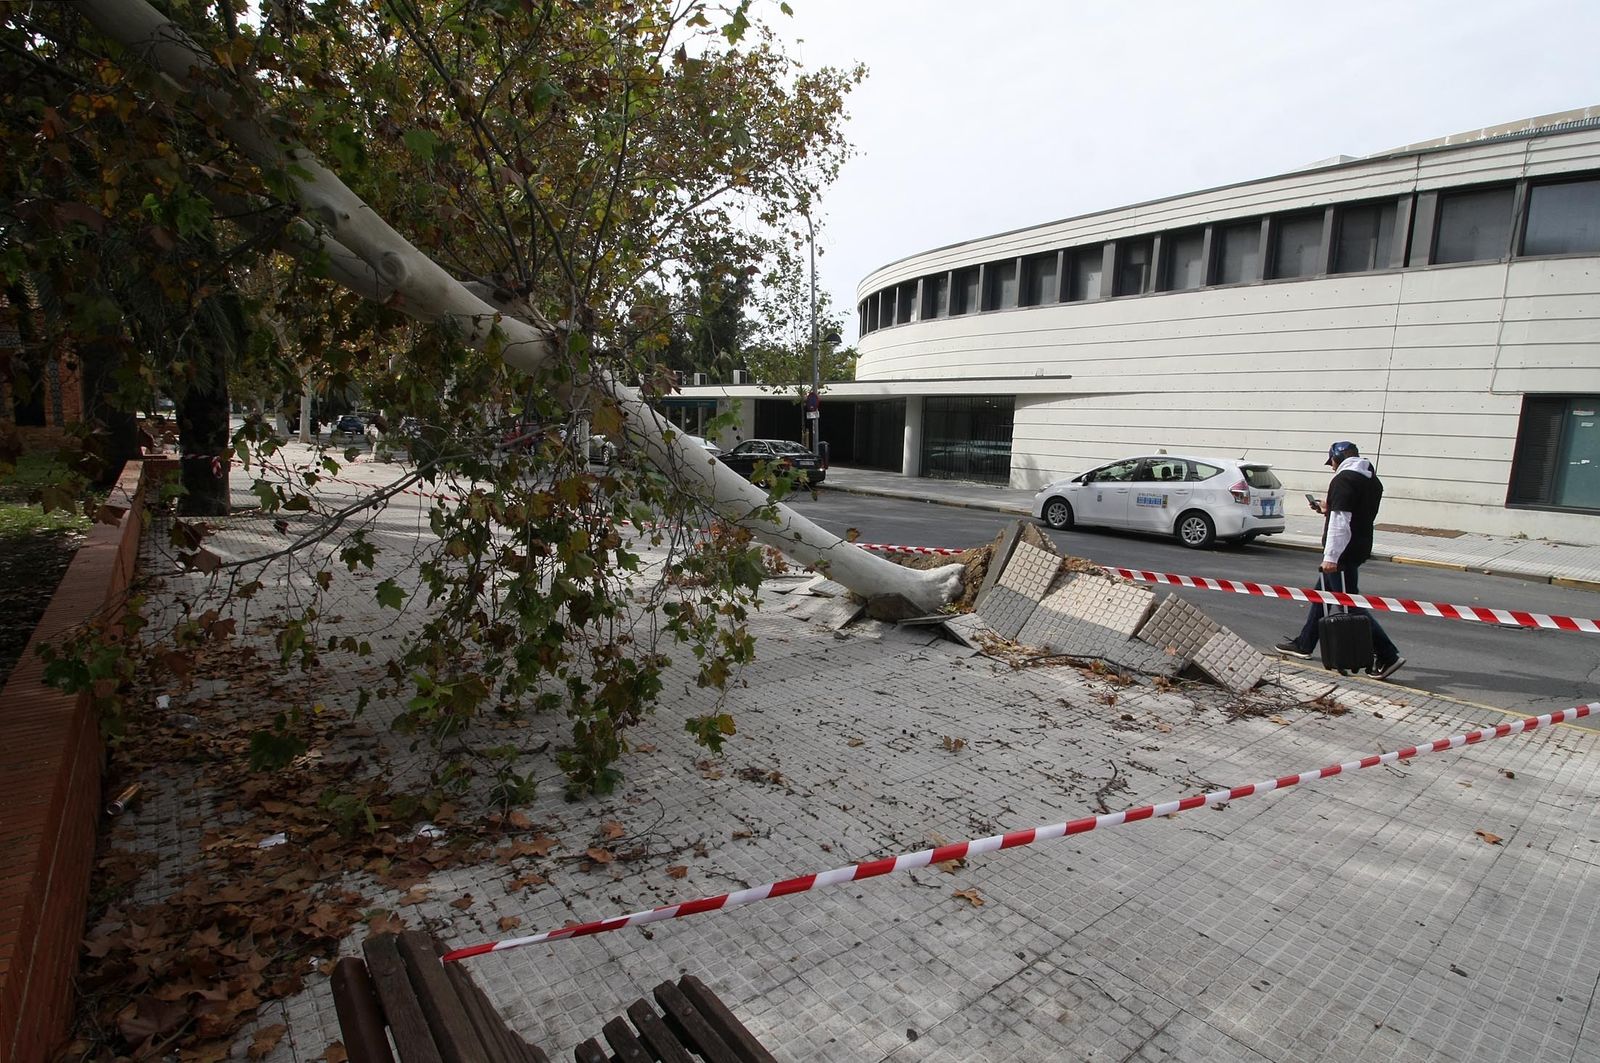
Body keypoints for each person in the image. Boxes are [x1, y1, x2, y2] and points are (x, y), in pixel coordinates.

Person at [1273, 440, 1406, 679]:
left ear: (1337, 458)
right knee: (1320, 598)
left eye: (1331, 463)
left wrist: (1331, 557)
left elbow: (1340, 522)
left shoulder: (1343, 479)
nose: (1331, 468)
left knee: (1349, 606)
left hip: (1342, 553)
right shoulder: (1370, 479)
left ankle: (1388, 655)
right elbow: (1356, 511)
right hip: (1359, 546)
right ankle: (1304, 643)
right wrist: (1327, 507)